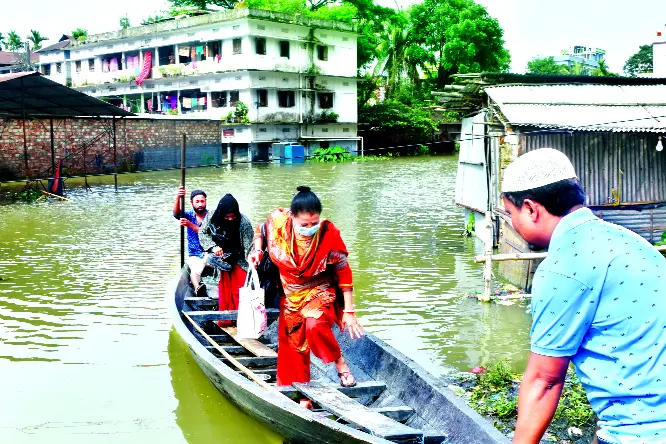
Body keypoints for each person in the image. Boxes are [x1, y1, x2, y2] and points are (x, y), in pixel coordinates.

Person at [501, 148, 666, 444]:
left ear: (530, 208)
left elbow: (545, 381)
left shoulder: (563, 267)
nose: (511, 223)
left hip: (641, 433)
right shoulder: (631, 240)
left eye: (510, 214)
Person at [249, 186, 364, 388]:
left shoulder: (328, 233)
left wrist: (349, 310)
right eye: (304, 224)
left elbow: (344, 272)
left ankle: (340, 364)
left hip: (320, 289)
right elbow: (260, 230)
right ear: (292, 216)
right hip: (290, 293)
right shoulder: (277, 222)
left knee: (315, 325)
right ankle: (301, 393)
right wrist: (258, 250)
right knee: (294, 346)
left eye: (314, 223)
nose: (310, 228)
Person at [199, 194, 254, 313]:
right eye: (227, 217)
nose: (230, 219)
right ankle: (226, 320)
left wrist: (252, 260)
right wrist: (213, 247)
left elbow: (248, 247)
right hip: (220, 258)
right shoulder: (212, 217)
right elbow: (203, 232)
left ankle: (242, 317)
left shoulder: (244, 223)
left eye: (233, 216)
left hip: (239, 257)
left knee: (239, 289)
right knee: (225, 291)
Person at [173, 187, 208, 293]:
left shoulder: (211, 216)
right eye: (197, 201)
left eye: (202, 201)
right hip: (195, 254)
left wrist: (189, 224)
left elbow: (205, 233)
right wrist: (178, 197)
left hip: (209, 252)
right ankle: (197, 288)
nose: (200, 204)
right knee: (195, 271)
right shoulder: (188, 215)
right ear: (191, 202)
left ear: (206, 201)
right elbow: (176, 213)